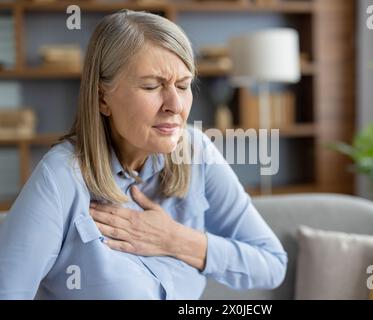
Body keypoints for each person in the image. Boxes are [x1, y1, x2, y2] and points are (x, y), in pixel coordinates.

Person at [0, 10, 287, 299]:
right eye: (152, 86)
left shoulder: (196, 152)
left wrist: (175, 239)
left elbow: (272, 264)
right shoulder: (60, 177)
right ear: (102, 98)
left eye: (183, 85)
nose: (175, 105)